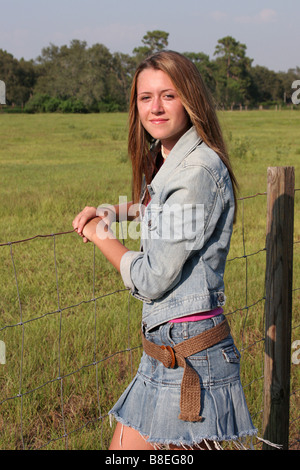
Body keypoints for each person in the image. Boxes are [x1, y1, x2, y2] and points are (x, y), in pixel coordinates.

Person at [72, 50, 257, 450]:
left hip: (189, 352)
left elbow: (153, 277)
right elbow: (161, 209)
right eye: (145, 97)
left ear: (191, 100)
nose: (155, 108)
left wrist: (101, 233)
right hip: (169, 346)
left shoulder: (197, 172)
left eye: (168, 96)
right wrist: (111, 210)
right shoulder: (171, 159)